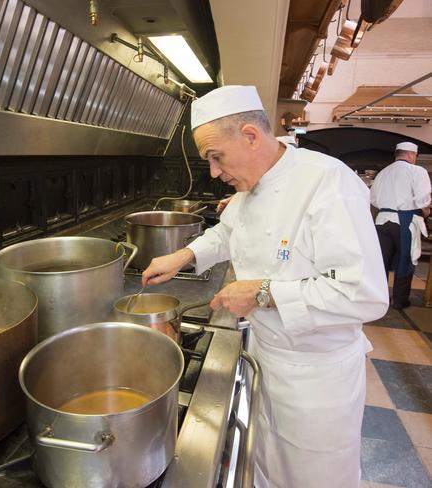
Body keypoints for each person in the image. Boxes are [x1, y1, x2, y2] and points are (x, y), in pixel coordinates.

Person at [141, 85, 389, 488]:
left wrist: (263, 292)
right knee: (265, 467)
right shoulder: (252, 184)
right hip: (267, 355)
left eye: (215, 157)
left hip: (315, 377)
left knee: (314, 477)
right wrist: (184, 256)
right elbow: (227, 231)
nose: (215, 172)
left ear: (251, 136)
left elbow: (365, 294)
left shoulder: (326, 183)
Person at [370, 142, 431, 309]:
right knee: (406, 259)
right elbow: (423, 196)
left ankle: (379, 298)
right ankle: (399, 300)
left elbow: (373, 199)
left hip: (382, 220)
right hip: (405, 221)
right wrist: (424, 209)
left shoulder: (383, 172)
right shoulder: (417, 171)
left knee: (381, 260)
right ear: (412, 155)